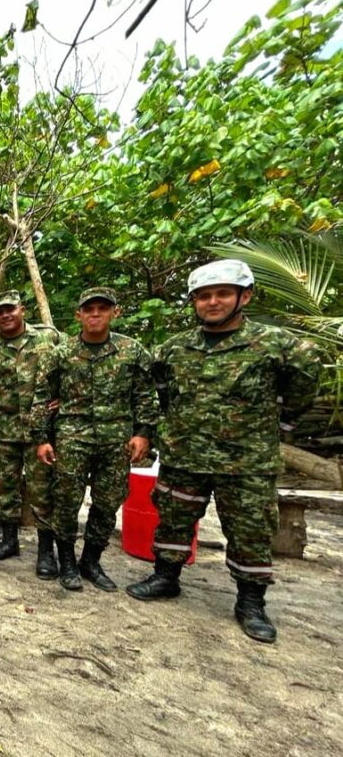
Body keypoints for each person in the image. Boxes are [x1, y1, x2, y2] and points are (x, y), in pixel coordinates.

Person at [126, 260, 321, 644]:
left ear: (243, 296)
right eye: (204, 296)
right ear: (194, 302)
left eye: (222, 294)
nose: (212, 302)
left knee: (250, 529)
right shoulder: (175, 348)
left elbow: (303, 386)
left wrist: (279, 426)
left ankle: (251, 602)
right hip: (185, 454)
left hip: (246, 459)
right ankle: (166, 577)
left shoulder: (276, 345)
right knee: (173, 519)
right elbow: (162, 393)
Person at [32, 288, 158, 591]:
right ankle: (68, 561)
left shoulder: (132, 351)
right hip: (72, 438)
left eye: (103, 308)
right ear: (79, 315)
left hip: (117, 441)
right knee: (66, 502)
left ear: (115, 312)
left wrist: (143, 434)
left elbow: (145, 396)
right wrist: (41, 438)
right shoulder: (61, 354)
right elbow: (42, 397)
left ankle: (91, 560)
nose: (96, 314)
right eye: (89, 309)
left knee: (107, 502)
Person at [0, 291, 62, 573]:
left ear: (22, 309)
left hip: (40, 433)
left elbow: (71, 370)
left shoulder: (49, 339)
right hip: (2, 432)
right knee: (5, 490)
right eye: (0, 312)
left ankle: (46, 551)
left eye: (10, 309)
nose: (6, 315)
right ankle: (9, 541)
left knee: (42, 491)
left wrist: (66, 398)